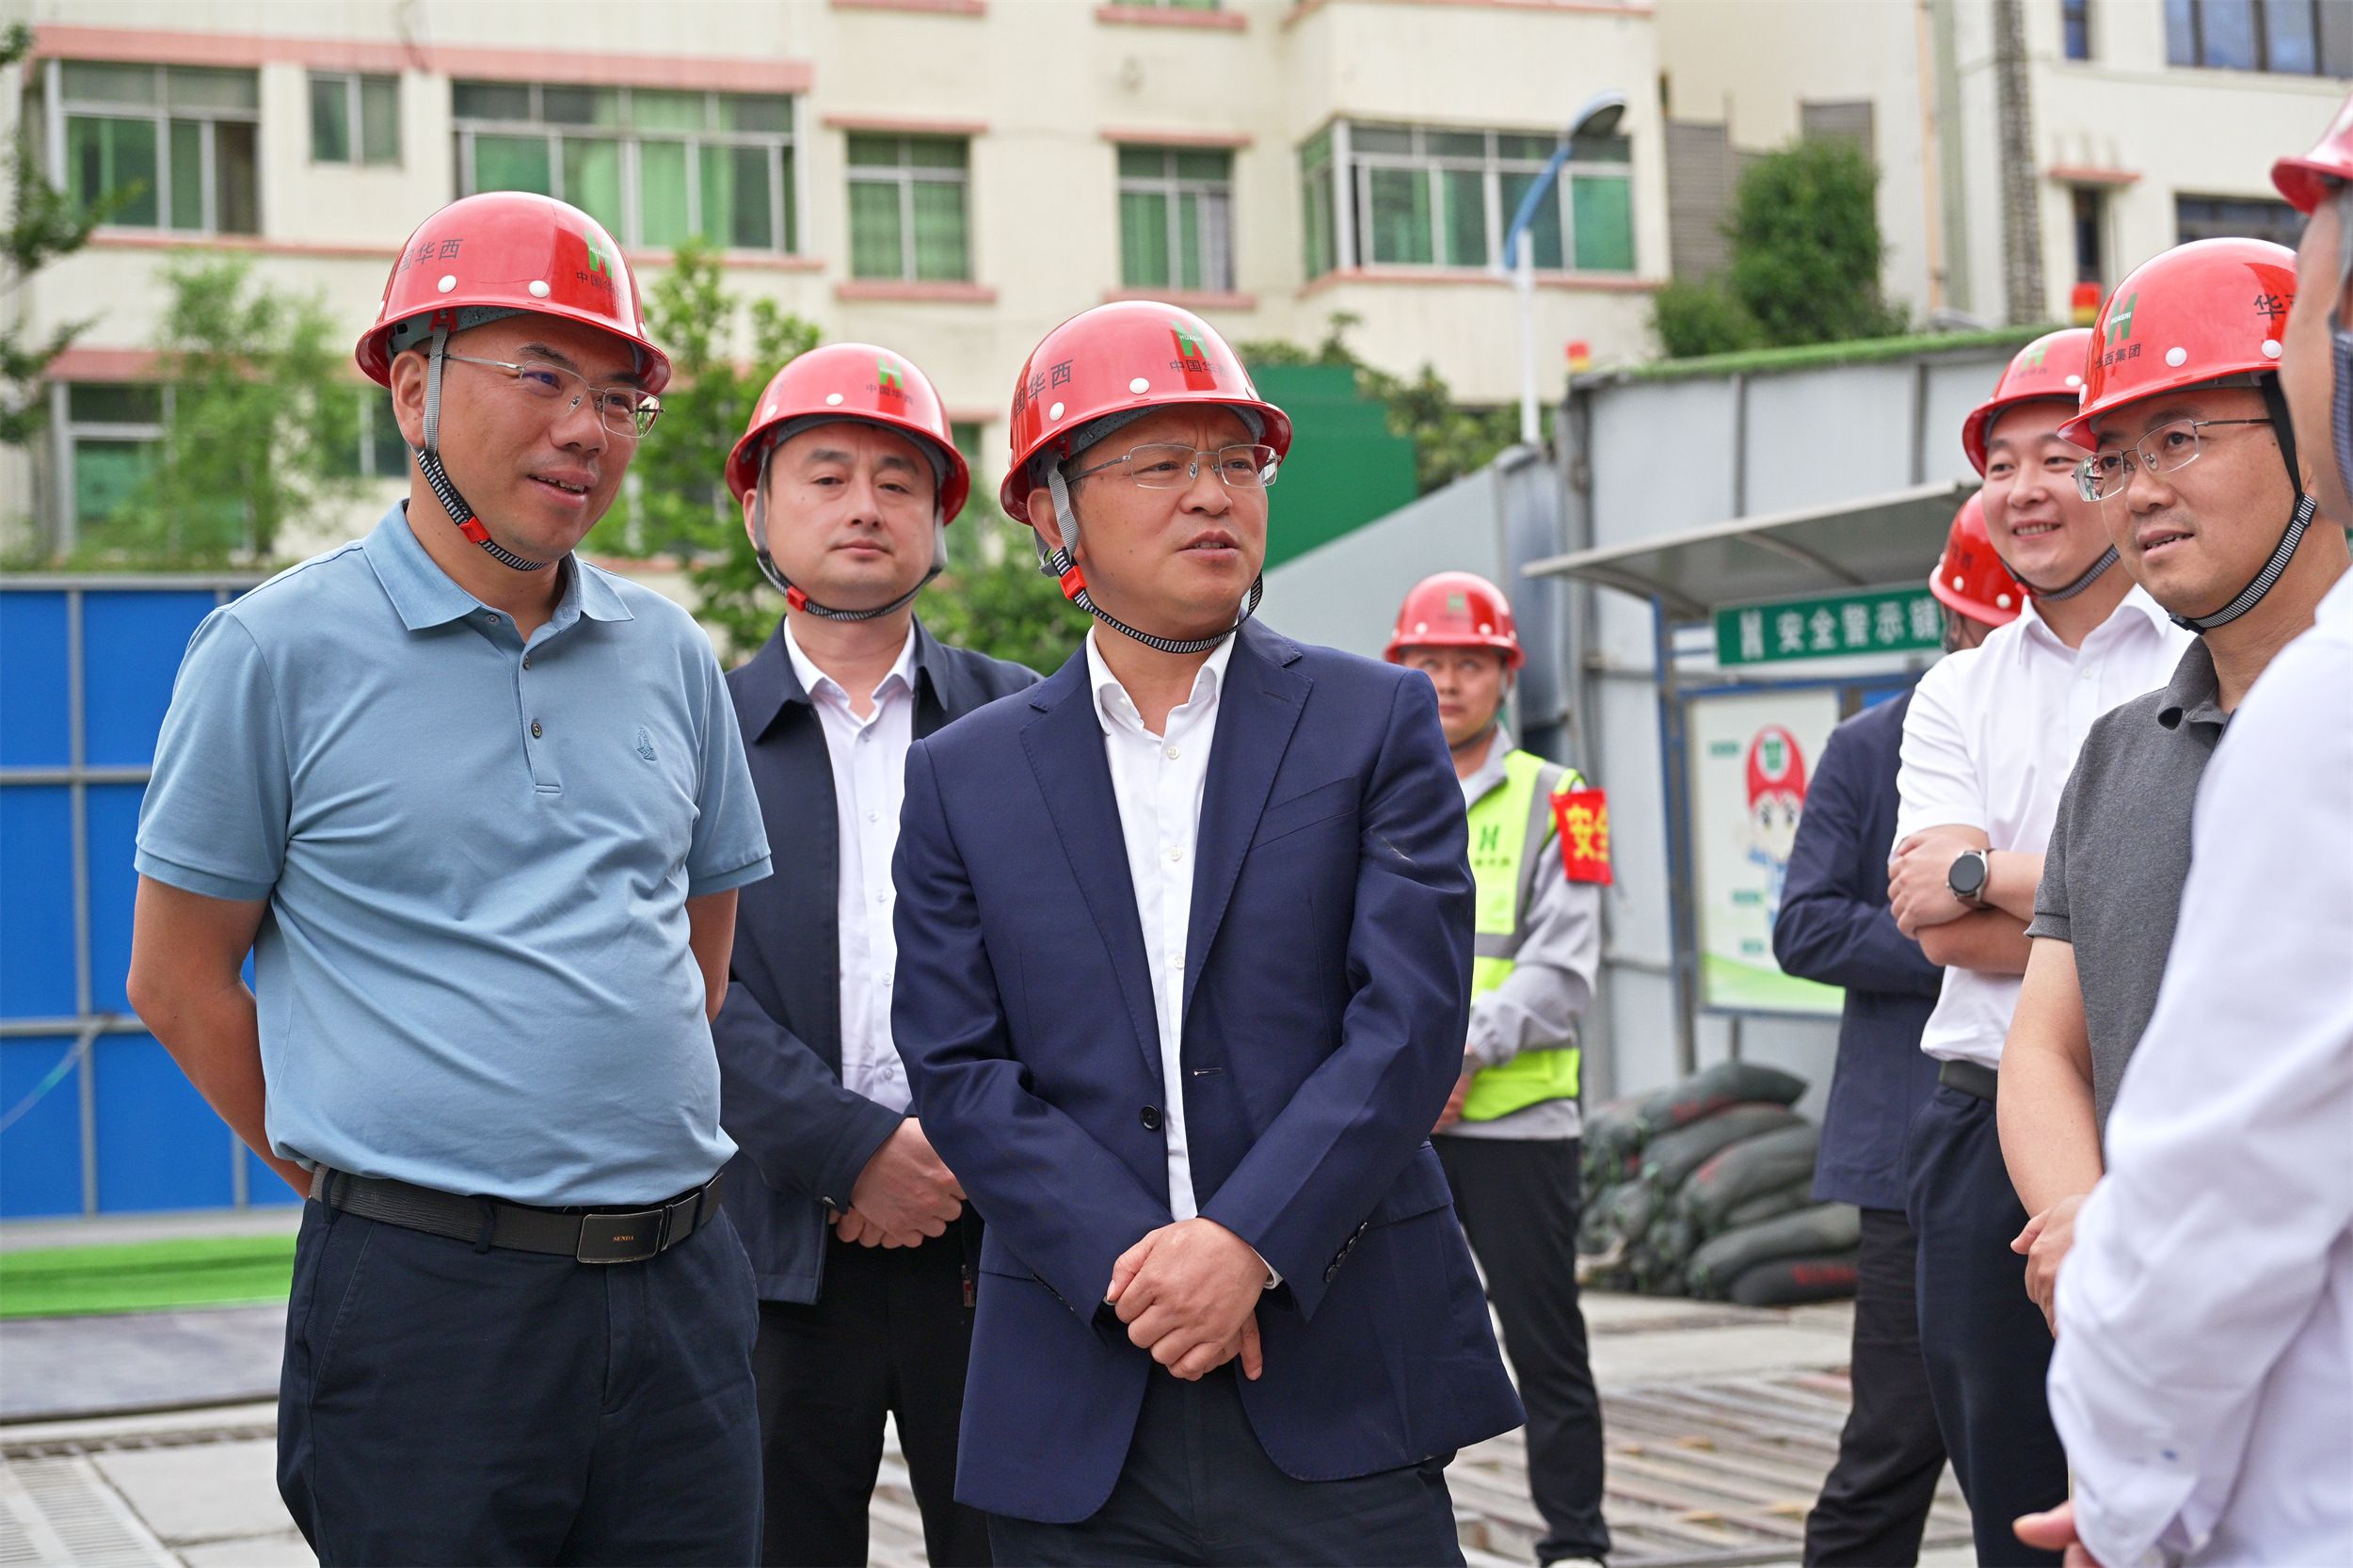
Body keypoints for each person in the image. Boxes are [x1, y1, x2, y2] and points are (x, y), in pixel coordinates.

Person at [123, 192, 773, 1565]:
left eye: (617, 398)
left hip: (686, 1299)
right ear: (412, 388)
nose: (586, 429)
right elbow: (177, 981)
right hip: (428, 1310)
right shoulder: (273, 653)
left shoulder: (670, 654)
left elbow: (697, 956)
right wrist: (382, 1180)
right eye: (541, 376)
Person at [890, 301, 1524, 1566]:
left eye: (1237, 460)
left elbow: (1407, 1023)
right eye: (1159, 464)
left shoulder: (1373, 722)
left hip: (1339, 1373)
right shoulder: (966, 775)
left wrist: (1245, 1244)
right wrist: (1142, 1269)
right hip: (1079, 1385)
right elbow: (957, 1066)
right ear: (1052, 515)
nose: (1211, 494)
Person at [2013, 106, 2353, 1568]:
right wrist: (2084, 1222)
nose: (2140, 488)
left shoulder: (2320, 721)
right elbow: (2044, 1040)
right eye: (2118, 454)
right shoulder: (2119, 755)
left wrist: (2131, 1444)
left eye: (2184, 436)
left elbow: (2245, 1178)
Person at [711, 344, 1038, 1568]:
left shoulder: (1025, 721)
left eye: (899, 481)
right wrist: (847, 1148)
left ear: (940, 519)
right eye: (827, 475)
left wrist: (948, 1149)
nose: (864, 505)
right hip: (768, 1247)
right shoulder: (694, 730)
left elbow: (1071, 971)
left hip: (993, 1242)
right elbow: (669, 979)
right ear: (758, 509)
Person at [1884, 327, 2190, 1567]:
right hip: (1980, 1140)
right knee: (2009, 1492)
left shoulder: (2203, 658)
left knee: (2193, 1479)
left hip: (2179, 1117)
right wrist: (2110, 893)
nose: (2023, 489)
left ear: (2117, 469)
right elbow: (1936, 923)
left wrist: (1998, 875)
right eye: (1999, 463)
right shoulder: (1955, 691)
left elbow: (2213, 907)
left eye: (2058, 456)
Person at [1775, 495, 2019, 1567]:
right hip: (1917, 1144)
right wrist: (1961, 940)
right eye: (1985, 629)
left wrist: (1997, 917)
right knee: (1894, 1441)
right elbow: (1806, 925)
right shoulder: (1873, 746)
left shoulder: (2121, 717)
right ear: (1950, 620)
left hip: (2088, 1130)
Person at [1385, 570, 1611, 1568]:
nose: (1447, 681)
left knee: (1545, 1342)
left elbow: (1566, 966)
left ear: (1505, 674)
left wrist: (1455, 1051)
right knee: (1394, 1338)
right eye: (1428, 662)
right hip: (1398, 1122)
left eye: (1469, 662)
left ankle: (1577, 1540)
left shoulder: (1569, 800)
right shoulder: (1372, 788)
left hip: (1519, 1124)